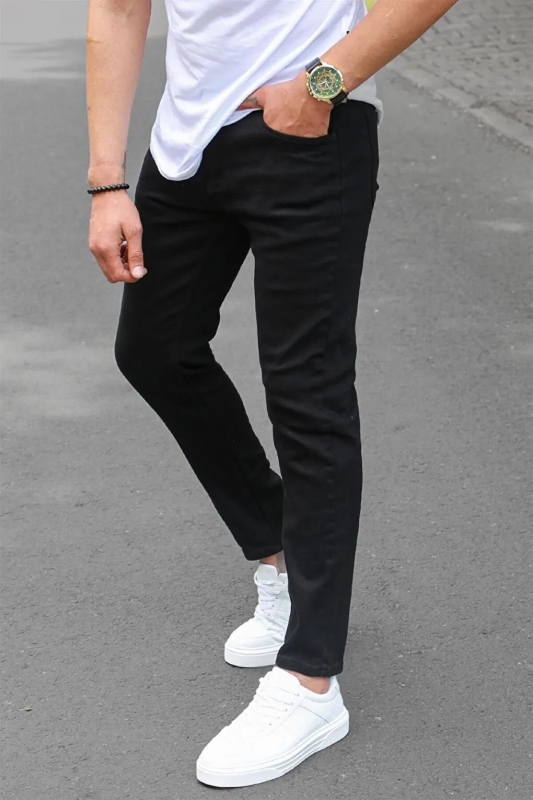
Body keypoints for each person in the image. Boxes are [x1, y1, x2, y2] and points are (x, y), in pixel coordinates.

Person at [86, 0, 457, 787]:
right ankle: (281, 555)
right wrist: (106, 179)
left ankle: (310, 682)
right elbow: (117, 8)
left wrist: (322, 83)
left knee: (306, 395)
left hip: (312, 133)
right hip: (186, 144)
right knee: (154, 351)